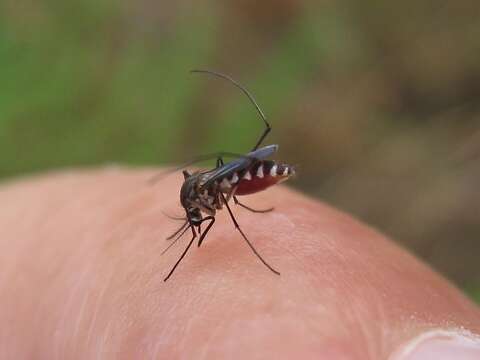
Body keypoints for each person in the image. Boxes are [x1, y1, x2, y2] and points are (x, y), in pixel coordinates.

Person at [1, 167, 479, 359]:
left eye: (192, 215)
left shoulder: (203, 193)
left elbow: (212, 203)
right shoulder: (196, 196)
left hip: (245, 176)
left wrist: (240, 196)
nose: (195, 221)